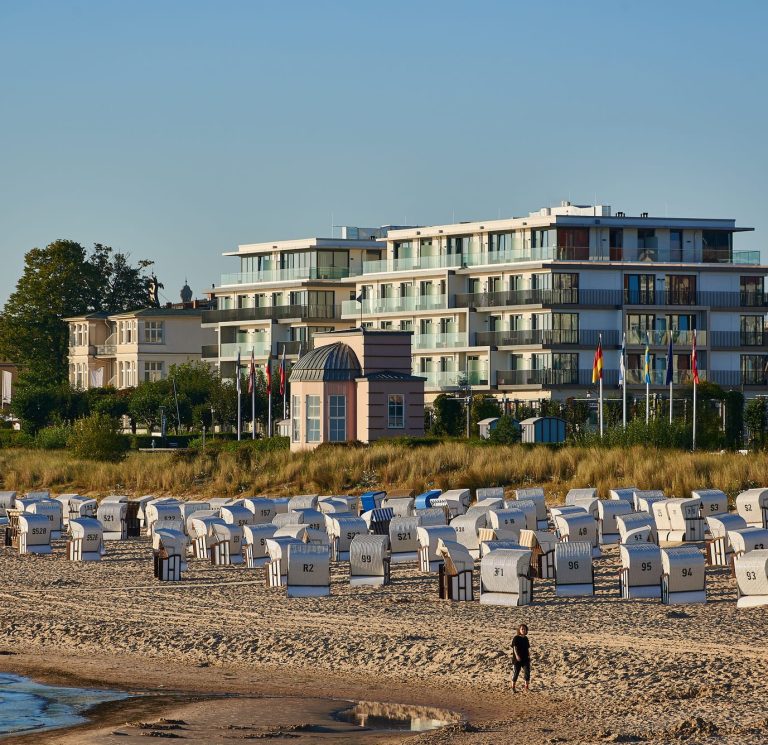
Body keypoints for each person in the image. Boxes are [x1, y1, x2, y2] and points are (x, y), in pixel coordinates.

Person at [511, 623, 531, 692]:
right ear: (519, 630)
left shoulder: (526, 638)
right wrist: (517, 656)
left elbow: (527, 648)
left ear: (526, 630)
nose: (523, 630)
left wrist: (529, 656)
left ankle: (526, 687)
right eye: (522, 629)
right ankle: (513, 687)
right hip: (517, 659)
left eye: (524, 629)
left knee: (527, 672)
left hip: (525, 658)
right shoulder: (516, 638)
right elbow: (514, 647)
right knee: (516, 672)